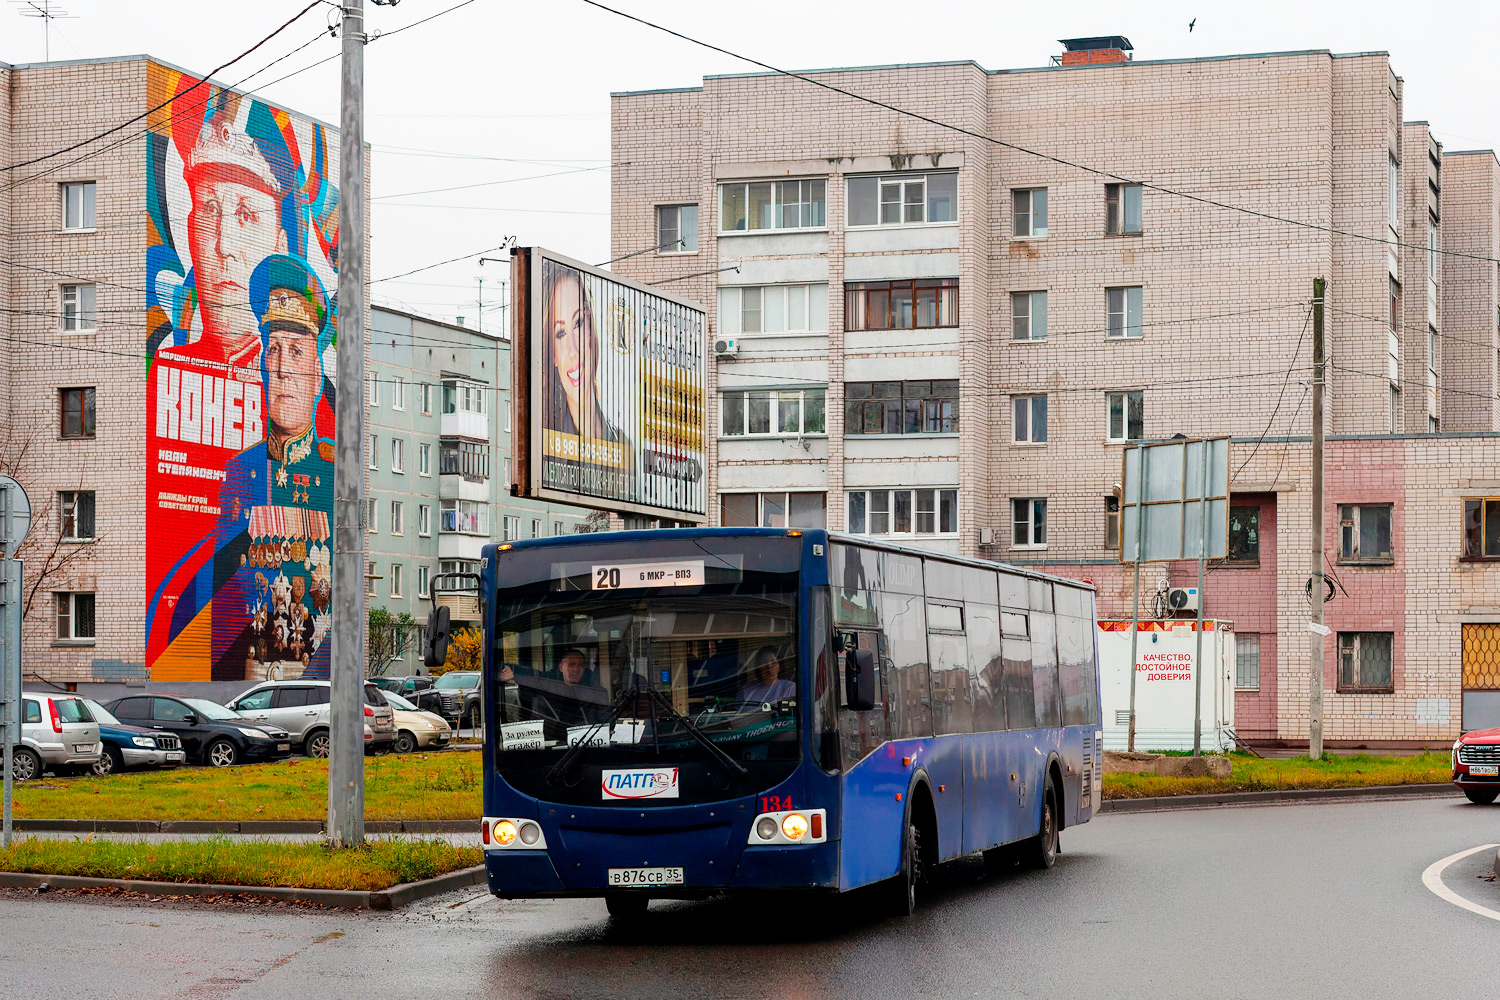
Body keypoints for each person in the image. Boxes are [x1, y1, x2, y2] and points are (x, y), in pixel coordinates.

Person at [162, 112, 292, 370]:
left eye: (246, 214)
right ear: (190, 232)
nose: (224, 246)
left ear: (280, 249)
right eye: (210, 209)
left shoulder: (295, 388)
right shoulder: (167, 368)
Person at [545, 264, 632, 454]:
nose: (573, 350)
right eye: (560, 334)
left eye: (578, 324)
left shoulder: (625, 448)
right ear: (553, 356)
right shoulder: (548, 450)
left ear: (591, 329)